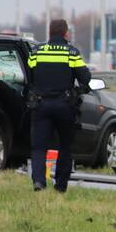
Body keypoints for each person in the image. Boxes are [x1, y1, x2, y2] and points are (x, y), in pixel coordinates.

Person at [27, 18, 91, 192]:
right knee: (65, 146)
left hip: (40, 104)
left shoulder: (36, 51)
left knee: (39, 147)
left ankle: (39, 181)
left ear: (49, 32)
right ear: (65, 33)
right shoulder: (71, 52)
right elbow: (85, 78)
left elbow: (29, 76)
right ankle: (61, 185)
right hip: (64, 105)